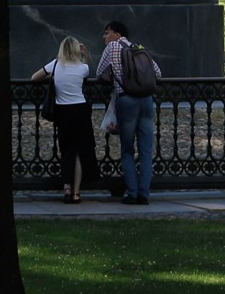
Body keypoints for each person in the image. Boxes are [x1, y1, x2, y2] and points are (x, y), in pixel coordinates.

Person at [94, 20, 155, 205]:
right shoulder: (138, 47)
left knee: (127, 149)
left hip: (126, 100)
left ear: (117, 35)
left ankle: (133, 193)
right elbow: (157, 72)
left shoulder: (113, 47)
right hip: (146, 100)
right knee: (145, 150)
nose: (104, 37)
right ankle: (144, 193)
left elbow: (99, 72)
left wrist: (112, 77)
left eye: (107, 33)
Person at [31, 38, 96, 202]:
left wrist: (53, 78)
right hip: (80, 110)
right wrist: (84, 55)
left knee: (66, 151)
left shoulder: (54, 65)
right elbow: (86, 70)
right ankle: (76, 192)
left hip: (62, 111)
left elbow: (34, 78)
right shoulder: (82, 67)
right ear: (76, 50)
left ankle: (66, 188)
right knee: (79, 152)